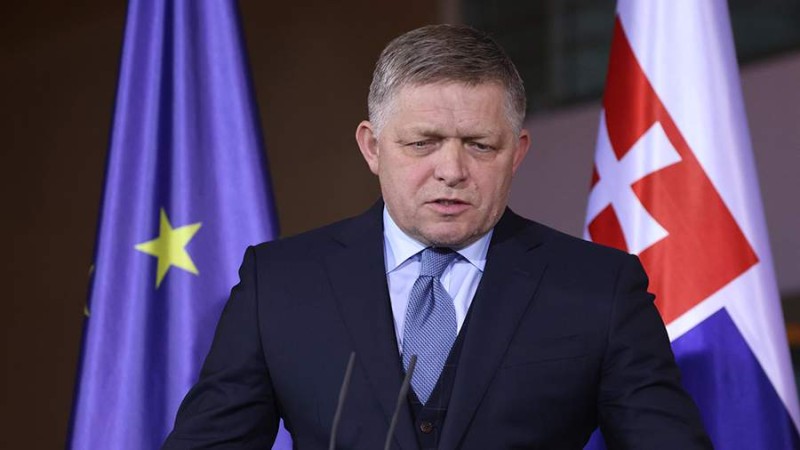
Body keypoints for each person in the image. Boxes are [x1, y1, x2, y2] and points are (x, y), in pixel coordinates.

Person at [163, 24, 711, 449]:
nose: (451, 171)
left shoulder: (600, 289)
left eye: (480, 145)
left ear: (517, 152)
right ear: (372, 147)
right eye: (423, 143)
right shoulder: (279, 283)